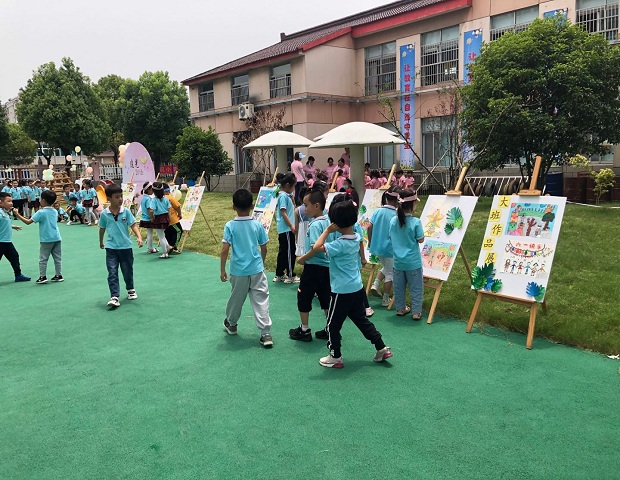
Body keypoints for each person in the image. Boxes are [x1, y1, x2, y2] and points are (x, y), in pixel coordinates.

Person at [298, 196, 392, 368]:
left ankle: (335, 356)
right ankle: (381, 347)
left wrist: (327, 231)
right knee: (362, 321)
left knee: (332, 325)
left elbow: (316, 247)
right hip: (356, 288)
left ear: (336, 223)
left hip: (341, 291)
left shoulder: (338, 244)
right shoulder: (356, 238)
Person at [220, 188, 273, 348]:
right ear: (251, 205)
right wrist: (261, 263)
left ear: (233, 207)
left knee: (236, 299)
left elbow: (224, 249)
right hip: (256, 269)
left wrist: (222, 270)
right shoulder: (257, 224)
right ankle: (265, 334)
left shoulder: (230, 225)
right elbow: (264, 247)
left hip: (238, 271)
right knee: (261, 299)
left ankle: (232, 324)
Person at [289, 188, 334, 342]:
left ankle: (304, 329)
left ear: (316, 206)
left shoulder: (315, 225)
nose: (304, 208)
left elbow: (316, 247)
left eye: (306, 205)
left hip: (313, 267)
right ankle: (330, 329)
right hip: (327, 268)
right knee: (326, 298)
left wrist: (302, 258)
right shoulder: (329, 222)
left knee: (304, 297)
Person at [99, 183, 143, 308]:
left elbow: (133, 225)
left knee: (127, 270)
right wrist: (101, 241)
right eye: (117, 197)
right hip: (111, 248)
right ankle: (114, 296)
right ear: (109, 199)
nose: (120, 199)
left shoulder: (126, 212)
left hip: (125, 247)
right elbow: (102, 228)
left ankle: (130, 289)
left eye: (121, 196)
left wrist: (139, 237)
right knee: (112, 272)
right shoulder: (104, 214)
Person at [13, 189, 63, 284]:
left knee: (43, 258)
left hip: (46, 239)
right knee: (57, 258)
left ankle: (43, 276)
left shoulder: (41, 212)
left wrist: (17, 214)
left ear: (43, 200)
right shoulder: (54, 211)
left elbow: (28, 222)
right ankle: (58, 275)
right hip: (56, 237)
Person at [389, 189, 425, 320]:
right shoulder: (416, 222)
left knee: (399, 288)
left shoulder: (393, 221)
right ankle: (416, 312)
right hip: (413, 263)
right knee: (416, 288)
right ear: (413, 204)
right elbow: (421, 239)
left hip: (398, 262)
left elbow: (391, 236)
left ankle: (400, 308)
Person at [368, 187, 401, 307]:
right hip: (390, 249)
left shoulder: (378, 211)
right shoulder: (396, 214)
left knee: (387, 268)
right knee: (390, 273)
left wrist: (370, 241)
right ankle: (385, 299)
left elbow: (369, 227)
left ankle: (376, 284)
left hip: (377, 247)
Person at [0, 192, 31, 282]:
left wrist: (13, 226)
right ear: (0, 202)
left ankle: (18, 275)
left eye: (11, 201)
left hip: (7, 241)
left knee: (14, 256)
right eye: (8, 201)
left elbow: (4, 223)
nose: (11, 203)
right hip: (1, 242)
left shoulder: (5, 212)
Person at [274, 173, 298, 283]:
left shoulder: (284, 195)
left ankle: (279, 273)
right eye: (294, 186)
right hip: (287, 229)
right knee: (290, 251)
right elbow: (283, 213)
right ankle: (290, 275)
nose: (294, 189)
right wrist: (291, 226)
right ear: (288, 185)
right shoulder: (283, 196)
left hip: (284, 229)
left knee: (283, 251)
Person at [148, 182, 171, 259]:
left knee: (161, 236)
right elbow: (169, 209)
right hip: (166, 217)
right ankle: (168, 247)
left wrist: (151, 217)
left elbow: (151, 210)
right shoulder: (166, 199)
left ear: (154, 191)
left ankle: (165, 253)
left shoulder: (154, 200)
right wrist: (169, 219)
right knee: (162, 235)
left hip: (159, 218)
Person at [164, 186, 183, 254]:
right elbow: (177, 206)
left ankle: (168, 246)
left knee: (168, 232)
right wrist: (179, 214)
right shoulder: (170, 198)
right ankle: (173, 247)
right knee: (179, 231)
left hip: (163, 220)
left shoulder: (159, 199)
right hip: (172, 219)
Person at [139, 182, 157, 253]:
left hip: (144, 218)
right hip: (148, 218)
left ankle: (150, 248)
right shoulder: (148, 199)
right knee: (150, 233)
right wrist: (151, 217)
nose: (153, 191)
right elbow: (149, 209)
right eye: (152, 189)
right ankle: (150, 248)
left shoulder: (144, 198)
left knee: (149, 233)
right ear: (148, 189)